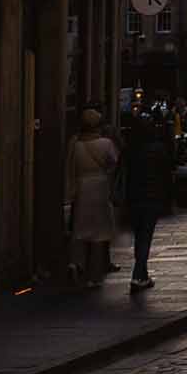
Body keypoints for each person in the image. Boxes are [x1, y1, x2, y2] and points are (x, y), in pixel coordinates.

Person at [64, 106, 121, 287]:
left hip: (82, 188)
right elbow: (116, 162)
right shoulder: (105, 144)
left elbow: (69, 166)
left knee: (79, 230)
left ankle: (75, 263)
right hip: (100, 187)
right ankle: (93, 277)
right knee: (98, 233)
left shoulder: (75, 143)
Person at [120, 112, 176, 288]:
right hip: (152, 198)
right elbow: (167, 174)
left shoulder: (130, 149)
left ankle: (142, 273)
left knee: (139, 236)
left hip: (134, 197)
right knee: (145, 236)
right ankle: (138, 275)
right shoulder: (159, 149)